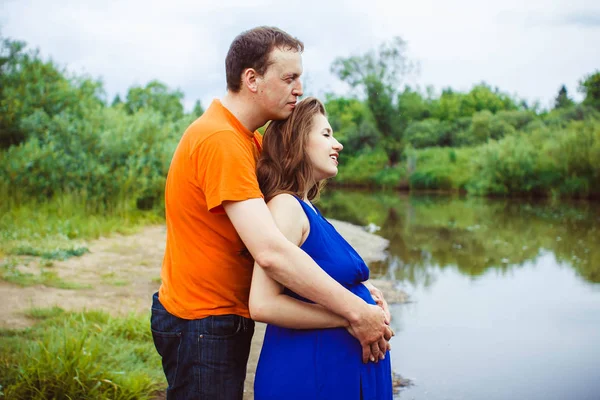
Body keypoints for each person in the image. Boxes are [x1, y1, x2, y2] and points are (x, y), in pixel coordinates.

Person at [151, 26, 392, 399]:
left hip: (218, 317)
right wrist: (354, 311)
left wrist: (352, 289)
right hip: (202, 320)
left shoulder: (248, 140)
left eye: (300, 78)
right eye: (289, 78)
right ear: (252, 79)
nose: (298, 88)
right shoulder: (221, 140)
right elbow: (271, 251)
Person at [250, 97, 393, 400]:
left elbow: (317, 271)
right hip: (312, 374)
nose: (338, 144)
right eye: (326, 135)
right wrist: (354, 315)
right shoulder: (285, 206)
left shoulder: (307, 208)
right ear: (296, 141)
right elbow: (263, 304)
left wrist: (365, 292)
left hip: (335, 368)